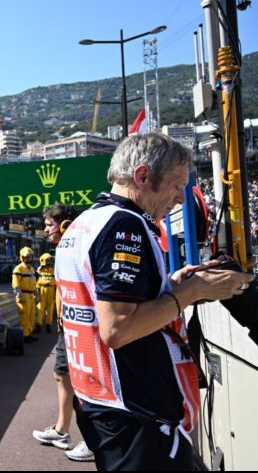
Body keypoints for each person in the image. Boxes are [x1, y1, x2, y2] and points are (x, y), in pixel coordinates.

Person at [55, 133, 253, 470]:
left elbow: (102, 302)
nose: (179, 199)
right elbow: (117, 328)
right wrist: (191, 291)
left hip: (101, 401)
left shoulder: (84, 223)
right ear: (143, 176)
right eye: (176, 186)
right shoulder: (125, 226)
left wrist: (171, 286)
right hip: (135, 413)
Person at [32, 203, 94, 462]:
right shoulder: (63, 250)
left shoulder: (82, 246)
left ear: (66, 224)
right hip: (66, 324)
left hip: (83, 326)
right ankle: (61, 430)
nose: (45, 231)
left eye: (49, 225)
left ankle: (94, 442)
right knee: (62, 374)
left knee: (87, 383)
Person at [12, 246, 38, 343]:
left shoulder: (31, 269)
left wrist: (36, 294)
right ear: (22, 258)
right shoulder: (18, 269)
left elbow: (34, 283)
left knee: (31, 316)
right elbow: (16, 284)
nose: (28, 259)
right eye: (26, 257)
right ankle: (25, 335)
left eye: (30, 257)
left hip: (31, 296)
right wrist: (19, 294)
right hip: (23, 295)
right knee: (24, 316)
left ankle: (29, 333)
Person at [35, 253, 56, 334]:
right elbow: (34, 281)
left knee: (50, 309)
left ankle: (48, 325)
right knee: (40, 308)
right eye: (48, 260)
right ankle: (38, 326)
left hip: (51, 289)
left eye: (50, 260)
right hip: (41, 289)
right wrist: (36, 292)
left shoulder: (53, 270)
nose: (49, 261)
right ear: (43, 261)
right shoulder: (38, 271)